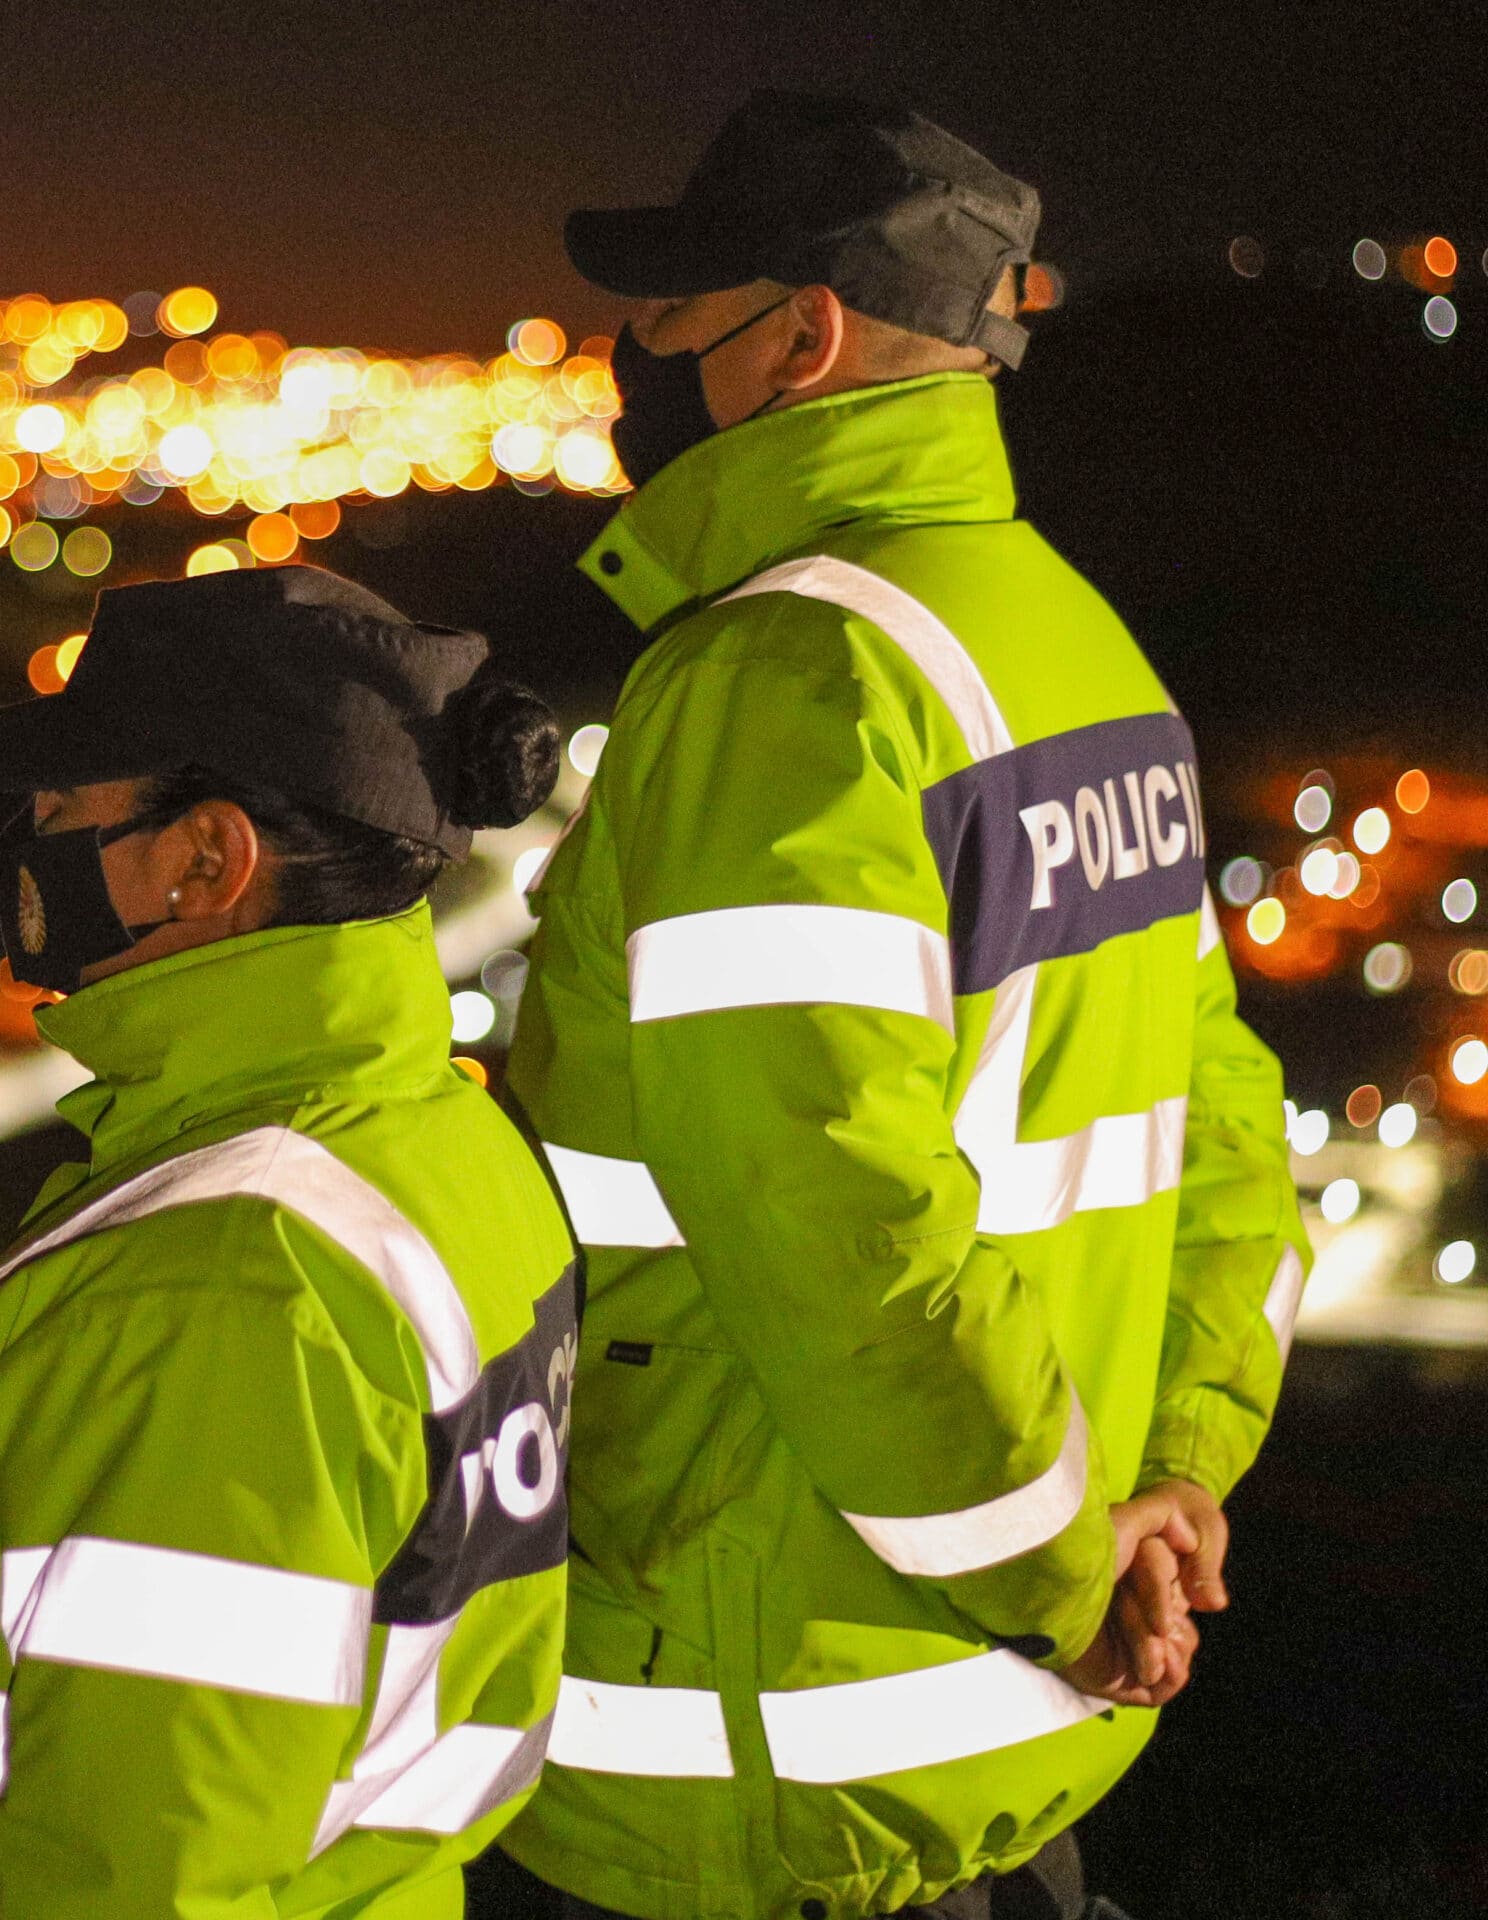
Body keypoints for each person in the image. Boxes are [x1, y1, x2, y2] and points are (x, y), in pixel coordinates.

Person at [478, 93, 1311, 1920]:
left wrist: (1062, 1576)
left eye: (678, 314)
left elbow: (830, 1218)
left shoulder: (794, 678)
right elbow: (1224, 1146)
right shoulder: (1069, 648)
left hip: (753, 1756)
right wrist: (1169, 1477)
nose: (637, 360)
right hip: (1011, 1753)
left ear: (803, 335)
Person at [0, 564, 581, 1917]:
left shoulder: (213, 1295)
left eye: (69, 808)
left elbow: (148, 1873)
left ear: (208, 859)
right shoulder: (445, 1147)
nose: (29, 840)